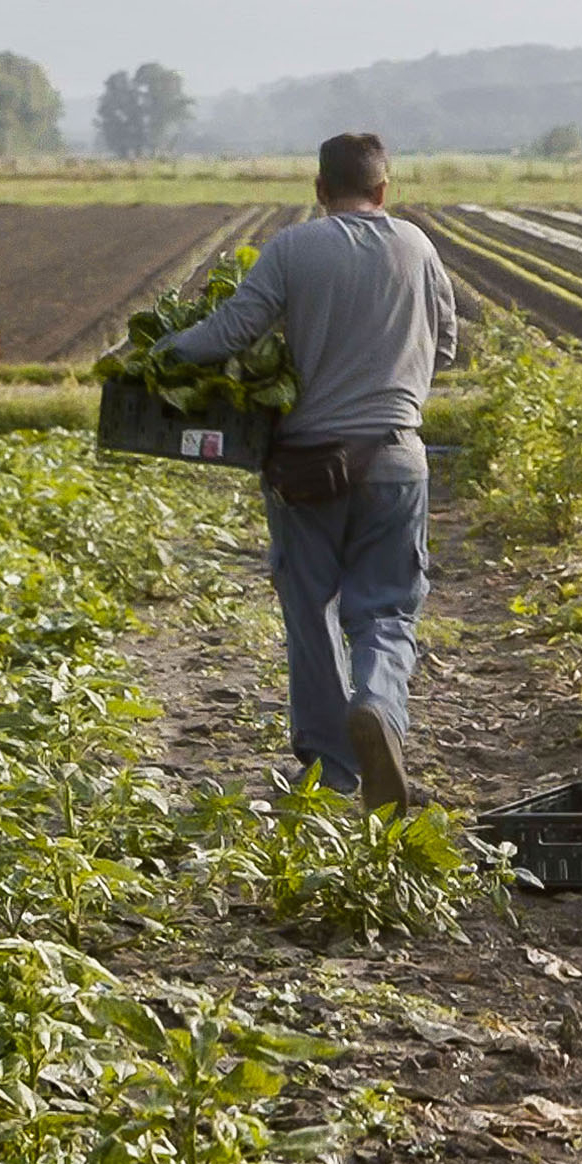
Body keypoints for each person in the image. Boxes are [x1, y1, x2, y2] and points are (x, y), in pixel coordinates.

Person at [156, 132, 458, 812]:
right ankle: (379, 706)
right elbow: (448, 342)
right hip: (395, 457)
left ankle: (331, 767)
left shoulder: (293, 248)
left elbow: (229, 333)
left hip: (307, 467)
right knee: (385, 609)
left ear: (319, 190)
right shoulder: (417, 245)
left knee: (312, 609)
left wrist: (158, 354)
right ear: (384, 191)